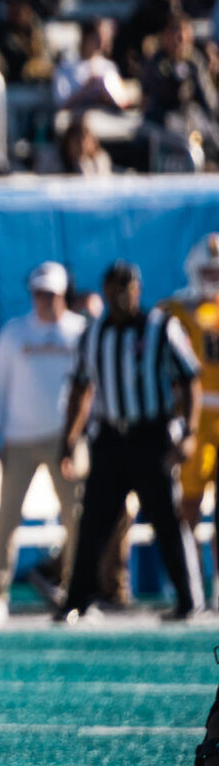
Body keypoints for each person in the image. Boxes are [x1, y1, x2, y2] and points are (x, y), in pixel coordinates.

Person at [59, 262, 203, 623]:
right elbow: (80, 389)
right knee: (93, 521)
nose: (120, 295)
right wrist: (70, 438)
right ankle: (77, 600)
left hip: (151, 434)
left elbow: (190, 380)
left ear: (137, 290)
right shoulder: (92, 334)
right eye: (113, 288)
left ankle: (188, 600)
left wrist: (189, 433)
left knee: (166, 521)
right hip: (109, 437)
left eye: (127, 287)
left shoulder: (161, 327)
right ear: (105, 291)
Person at [0, 263, 89, 617]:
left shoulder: (80, 331)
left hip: (66, 439)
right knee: (7, 518)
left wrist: (82, 435)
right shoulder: (14, 333)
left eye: (51, 294)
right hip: (20, 438)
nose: (44, 300)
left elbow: (92, 388)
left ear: (63, 294)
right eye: (39, 293)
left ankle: (77, 594)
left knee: (76, 517)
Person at [163, 237, 219, 587]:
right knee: (187, 506)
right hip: (192, 418)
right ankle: (190, 583)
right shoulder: (173, 311)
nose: (212, 277)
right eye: (207, 270)